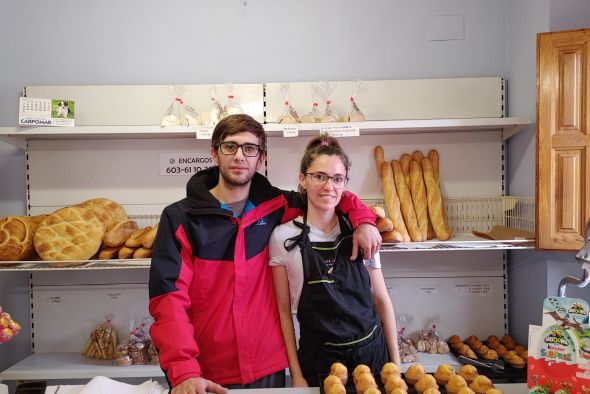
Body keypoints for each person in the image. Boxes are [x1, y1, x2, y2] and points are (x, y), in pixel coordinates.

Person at [148, 114, 381, 394]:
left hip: (268, 367)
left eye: (250, 149)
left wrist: (363, 220)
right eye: (229, 146)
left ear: (261, 159)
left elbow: (330, 194)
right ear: (214, 153)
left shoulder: (276, 205)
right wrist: (183, 370)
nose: (239, 156)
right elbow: (168, 301)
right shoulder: (181, 218)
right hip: (206, 371)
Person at [269, 134, 401, 388]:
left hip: (372, 355)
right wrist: (296, 374)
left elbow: (382, 300)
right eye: (319, 176)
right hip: (319, 362)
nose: (329, 186)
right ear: (303, 179)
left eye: (337, 178)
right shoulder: (282, 237)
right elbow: (283, 313)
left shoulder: (362, 232)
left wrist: (396, 367)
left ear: (344, 183)